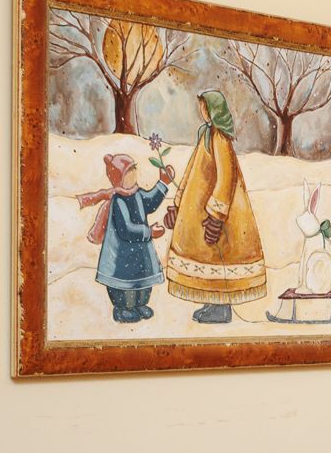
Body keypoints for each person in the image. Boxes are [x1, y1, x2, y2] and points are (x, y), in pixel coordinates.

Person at [163, 90, 267, 322]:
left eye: (204, 106)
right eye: (201, 106)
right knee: (209, 258)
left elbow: (226, 177)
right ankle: (212, 303)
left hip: (219, 213)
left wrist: (217, 215)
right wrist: (177, 205)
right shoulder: (206, 135)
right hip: (200, 209)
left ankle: (221, 308)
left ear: (213, 110)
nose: (201, 111)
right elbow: (192, 172)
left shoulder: (220, 138)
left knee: (220, 255)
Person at [78, 152, 173, 322]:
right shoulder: (119, 201)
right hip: (121, 255)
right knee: (124, 285)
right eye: (129, 171)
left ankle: (140, 304)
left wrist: (163, 183)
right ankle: (123, 308)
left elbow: (150, 202)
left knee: (142, 281)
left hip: (139, 252)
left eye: (134, 168)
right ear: (119, 177)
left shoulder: (137, 193)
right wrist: (149, 232)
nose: (134, 173)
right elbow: (126, 229)